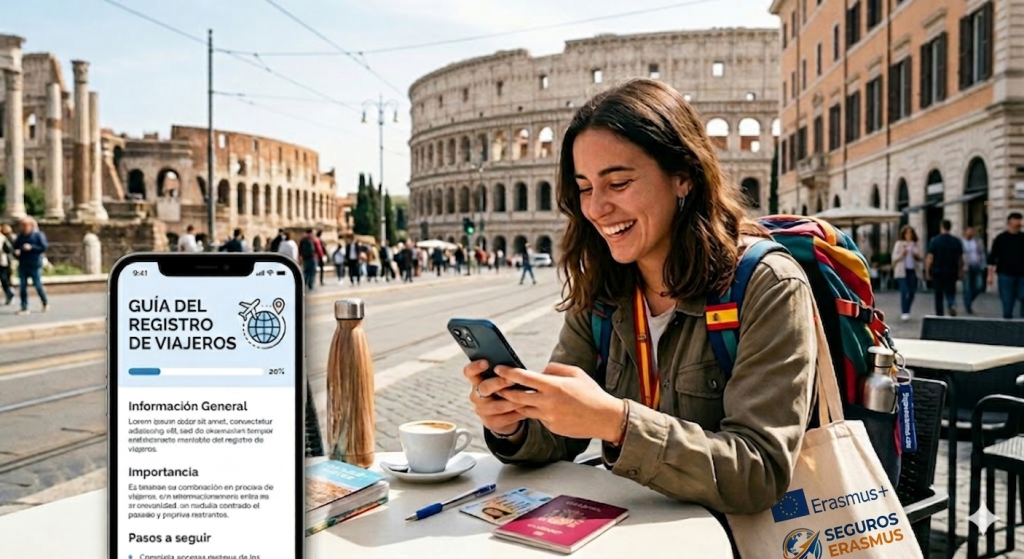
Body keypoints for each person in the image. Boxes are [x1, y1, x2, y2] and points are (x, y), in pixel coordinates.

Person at [464, 80, 817, 535]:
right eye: (585, 187)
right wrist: (513, 422)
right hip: (628, 533)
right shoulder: (602, 289)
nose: (596, 208)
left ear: (683, 175)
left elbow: (758, 472)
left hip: (730, 541)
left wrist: (617, 423)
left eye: (619, 183)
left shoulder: (766, 284)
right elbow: (560, 434)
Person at [988, 212, 1024, 318]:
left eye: (1020, 220)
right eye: (1017, 220)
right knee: (1007, 301)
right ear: (1010, 222)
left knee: (1023, 296)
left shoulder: (1023, 237)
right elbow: (992, 258)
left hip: (1022, 274)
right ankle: (1007, 321)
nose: (1019, 222)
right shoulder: (1001, 238)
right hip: (1005, 274)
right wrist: (990, 276)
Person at [925, 219, 964, 316]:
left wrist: (927, 271)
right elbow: (960, 258)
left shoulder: (934, 241)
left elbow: (930, 258)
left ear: (941, 227)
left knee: (938, 294)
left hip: (938, 271)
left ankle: (939, 314)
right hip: (952, 270)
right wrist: (960, 271)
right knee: (951, 291)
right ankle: (951, 304)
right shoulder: (956, 241)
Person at [12, 216, 50, 315]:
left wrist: (31, 247)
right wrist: (16, 251)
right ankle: (24, 307)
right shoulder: (20, 236)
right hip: (23, 263)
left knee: (37, 285)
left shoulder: (38, 235)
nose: (23, 227)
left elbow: (44, 247)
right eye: (22, 225)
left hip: (34, 263)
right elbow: (15, 247)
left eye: (25, 225)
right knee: (22, 286)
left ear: (31, 225)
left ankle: (45, 302)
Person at [891, 225, 922, 320]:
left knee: (912, 291)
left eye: (910, 233)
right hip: (902, 271)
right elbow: (894, 258)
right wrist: (902, 254)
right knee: (904, 291)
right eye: (907, 233)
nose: (909, 235)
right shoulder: (899, 244)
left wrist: (916, 255)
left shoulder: (915, 244)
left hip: (912, 270)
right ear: (904, 234)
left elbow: (920, 257)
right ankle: (904, 312)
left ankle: (907, 308)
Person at [961, 226, 986, 314]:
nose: (970, 233)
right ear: (964, 232)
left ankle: (969, 299)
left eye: (972, 231)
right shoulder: (961, 242)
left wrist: (983, 265)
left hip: (977, 265)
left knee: (979, 285)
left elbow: (982, 253)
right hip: (965, 267)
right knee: (967, 287)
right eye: (968, 231)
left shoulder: (978, 241)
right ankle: (968, 305)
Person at [0, 223, 14, 305]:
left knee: (4, 279)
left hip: (2, 261)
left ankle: (9, 293)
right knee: (4, 280)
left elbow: (8, 249)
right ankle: (9, 293)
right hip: (2, 261)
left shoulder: (2, 238)